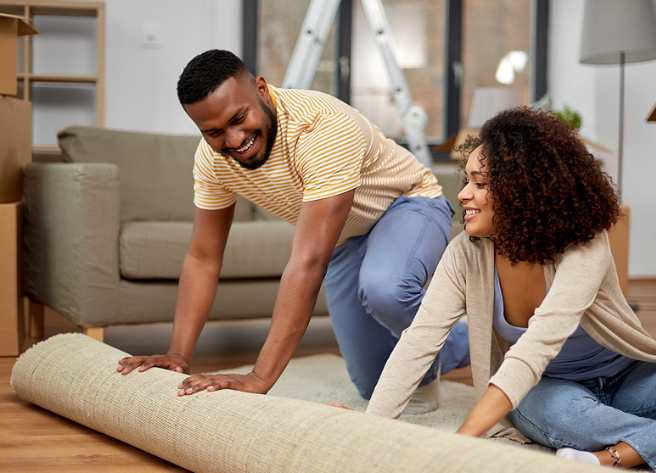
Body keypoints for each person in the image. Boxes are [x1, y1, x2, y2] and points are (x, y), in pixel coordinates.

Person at [366, 107, 656, 472]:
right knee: (563, 416)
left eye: (479, 183)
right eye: (466, 180)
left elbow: (542, 339)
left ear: (523, 189)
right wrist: (369, 427)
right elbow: (420, 342)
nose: (464, 194)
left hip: (629, 377)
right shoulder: (464, 254)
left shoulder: (585, 245)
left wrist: (462, 442)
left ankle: (612, 457)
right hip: (548, 389)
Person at [116, 49, 469, 409]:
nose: (234, 140)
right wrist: (179, 354)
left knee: (384, 288)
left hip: (408, 205)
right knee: (372, 382)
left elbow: (308, 260)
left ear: (262, 89)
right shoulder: (212, 161)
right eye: (215, 132)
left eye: (239, 118)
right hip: (347, 239)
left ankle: (474, 340)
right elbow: (204, 257)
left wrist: (260, 377)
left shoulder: (320, 126)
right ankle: (437, 358)